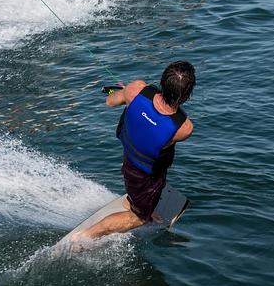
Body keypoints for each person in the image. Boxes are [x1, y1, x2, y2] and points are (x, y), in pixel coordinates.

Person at [78, 61, 196, 240]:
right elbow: (161, 123)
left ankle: (139, 204)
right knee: (139, 218)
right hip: (145, 174)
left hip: (130, 157)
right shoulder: (184, 128)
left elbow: (109, 101)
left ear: (162, 81)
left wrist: (127, 95)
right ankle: (86, 235)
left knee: (147, 192)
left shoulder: (135, 89)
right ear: (187, 95)